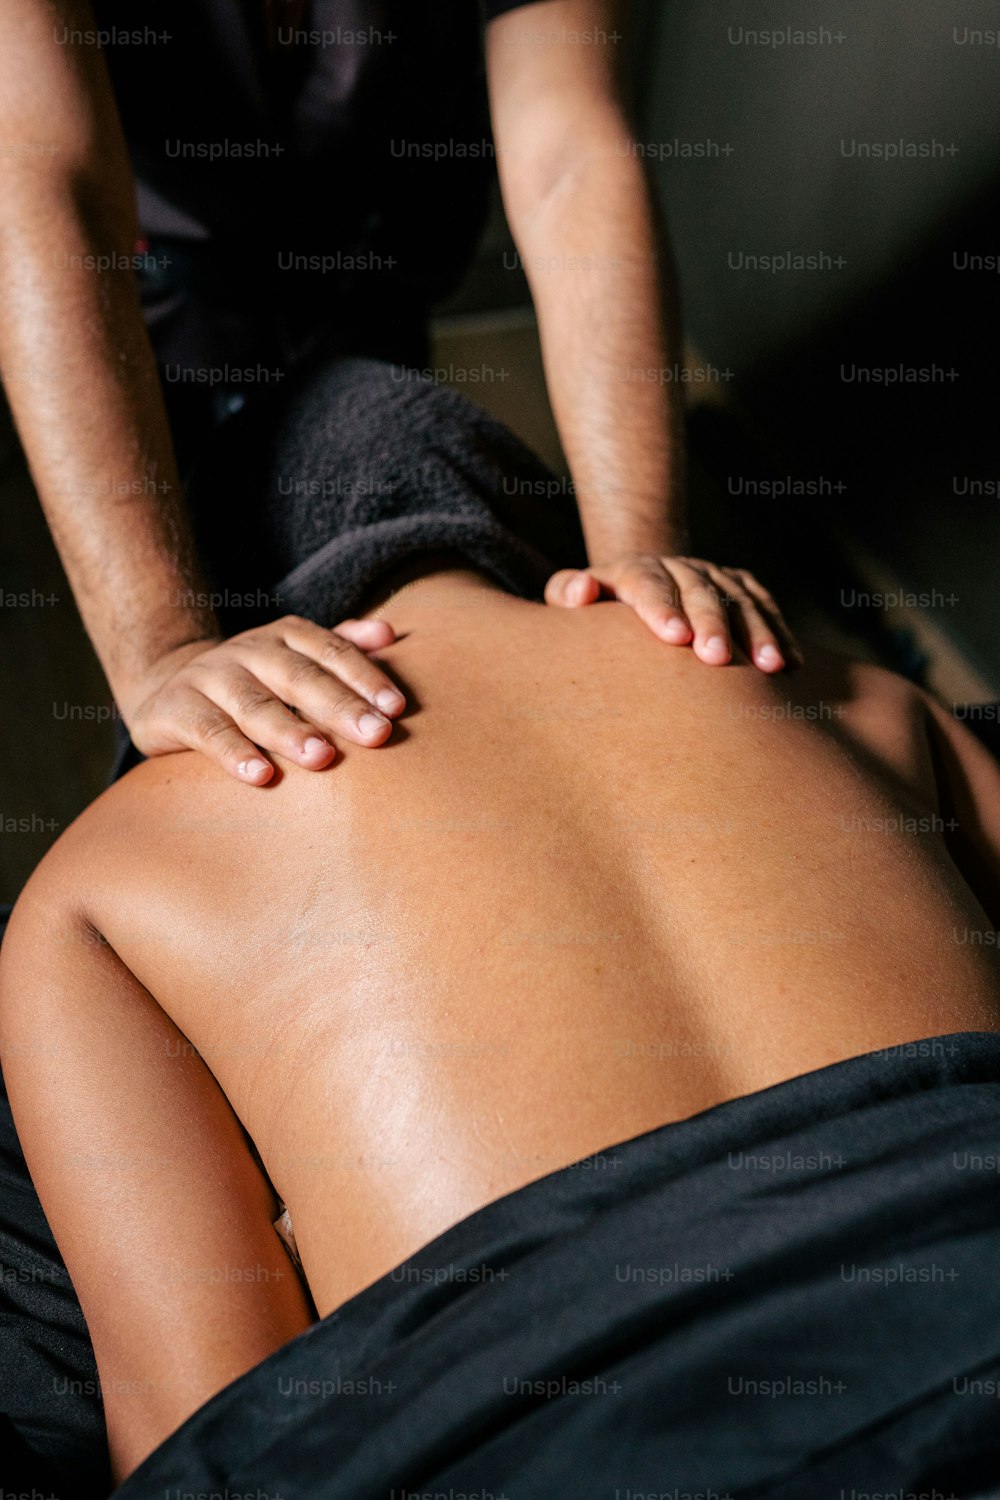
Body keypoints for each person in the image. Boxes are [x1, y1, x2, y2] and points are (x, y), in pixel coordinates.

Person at [1, 360, 999, 1494]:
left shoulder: (102, 879)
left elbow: (204, 1442)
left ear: (233, 623)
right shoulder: (853, 692)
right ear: (530, 532)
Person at [0, 0, 797, 796]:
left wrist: (637, 555)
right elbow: (47, 181)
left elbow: (570, 158)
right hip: (146, 307)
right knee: (210, 707)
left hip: (366, 268)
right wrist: (162, 650)